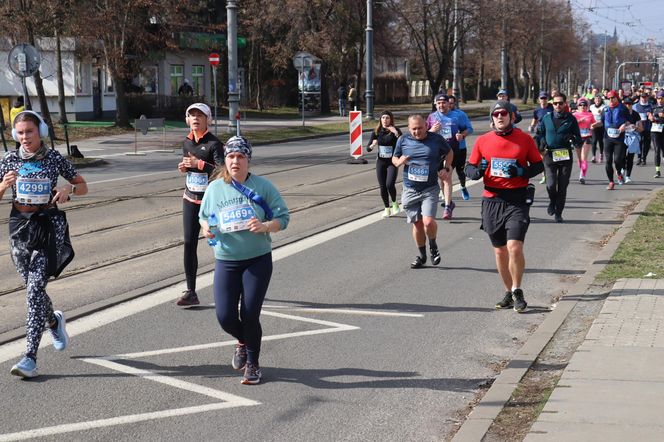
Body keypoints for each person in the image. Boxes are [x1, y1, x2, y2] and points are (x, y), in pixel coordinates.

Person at [1, 111, 88, 378]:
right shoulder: (9, 160)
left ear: (40, 132)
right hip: (20, 226)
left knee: (33, 290)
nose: (25, 137)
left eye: (30, 131)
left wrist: (67, 190)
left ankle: (30, 357)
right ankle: (53, 320)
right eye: (21, 133)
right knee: (32, 288)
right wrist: (3, 185)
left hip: (48, 226)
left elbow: (83, 186)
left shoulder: (54, 158)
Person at [199, 136, 290, 385]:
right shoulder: (215, 188)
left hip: (256, 260)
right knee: (225, 317)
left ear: (248, 160)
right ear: (225, 160)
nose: (235, 161)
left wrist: (265, 226)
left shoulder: (263, 186)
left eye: (240, 157)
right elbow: (203, 215)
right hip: (226, 260)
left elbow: (283, 218)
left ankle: (253, 363)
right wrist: (206, 228)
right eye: (231, 157)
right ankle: (242, 341)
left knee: (250, 314)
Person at [464, 101, 544, 313]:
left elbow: (538, 165)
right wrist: (475, 172)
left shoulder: (525, 139)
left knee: (514, 247)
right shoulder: (483, 141)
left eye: (503, 113)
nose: (499, 117)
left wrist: (521, 172)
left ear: (511, 116)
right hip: (492, 200)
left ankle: (518, 290)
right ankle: (508, 292)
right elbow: (469, 167)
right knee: (500, 252)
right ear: (492, 118)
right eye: (496, 114)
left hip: (517, 200)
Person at [176, 103, 224, 306]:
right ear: (188, 120)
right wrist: (185, 168)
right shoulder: (186, 143)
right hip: (190, 199)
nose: (195, 119)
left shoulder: (214, 144)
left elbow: (222, 171)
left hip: (211, 202)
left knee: (220, 244)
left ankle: (231, 284)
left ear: (207, 120)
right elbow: (191, 167)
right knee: (189, 244)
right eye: (192, 115)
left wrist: (200, 165)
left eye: (200, 116)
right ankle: (191, 291)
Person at [392, 114, 453, 269]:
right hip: (410, 188)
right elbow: (394, 158)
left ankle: (433, 246)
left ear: (426, 125)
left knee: (428, 221)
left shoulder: (436, 139)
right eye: (413, 129)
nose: (417, 132)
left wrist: (446, 168)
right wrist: (399, 162)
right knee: (417, 224)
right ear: (408, 128)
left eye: (420, 128)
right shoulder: (403, 140)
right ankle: (422, 255)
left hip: (430, 188)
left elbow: (449, 152)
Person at [536, 92, 582, 223]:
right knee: (551, 185)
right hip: (550, 155)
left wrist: (573, 138)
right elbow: (540, 133)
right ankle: (552, 201)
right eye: (555, 103)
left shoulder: (571, 119)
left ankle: (558, 213)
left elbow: (579, 139)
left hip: (565, 156)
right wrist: (542, 142)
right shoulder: (546, 118)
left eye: (560, 103)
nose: (557, 105)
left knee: (562, 186)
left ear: (565, 104)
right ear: (552, 104)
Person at [427, 94, 465, 219]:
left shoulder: (456, 116)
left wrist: (462, 135)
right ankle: (449, 202)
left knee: (447, 177)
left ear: (449, 104)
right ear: (435, 104)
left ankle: (447, 207)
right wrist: (432, 130)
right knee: (441, 179)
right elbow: (424, 135)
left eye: (443, 103)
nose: (441, 105)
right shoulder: (431, 117)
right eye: (438, 103)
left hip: (451, 151)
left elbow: (466, 129)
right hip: (437, 152)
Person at [367, 110, 402, 217]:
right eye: (383, 118)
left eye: (387, 118)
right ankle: (387, 208)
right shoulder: (377, 132)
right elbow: (368, 148)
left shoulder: (396, 131)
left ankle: (395, 203)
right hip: (381, 162)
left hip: (392, 162)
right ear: (380, 119)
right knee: (382, 186)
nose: (385, 120)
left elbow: (403, 142)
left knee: (389, 184)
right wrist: (372, 145)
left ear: (391, 119)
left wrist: (395, 133)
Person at [447, 95, 474, 200]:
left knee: (460, 171)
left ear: (455, 104)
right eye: (447, 102)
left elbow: (470, 129)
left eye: (451, 103)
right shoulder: (438, 116)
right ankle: (447, 199)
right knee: (445, 172)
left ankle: (463, 187)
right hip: (445, 150)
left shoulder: (460, 115)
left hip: (460, 148)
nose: (449, 105)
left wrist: (462, 135)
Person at [602, 90, 630, 190]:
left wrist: (624, 125)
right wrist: (594, 125)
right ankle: (611, 182)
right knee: (608, 161)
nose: (611, 100)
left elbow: (629, 121)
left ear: (616, 98)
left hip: (619, 138)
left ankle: (619, 172)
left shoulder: (623, 108)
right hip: (607, 138)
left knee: (617, 160)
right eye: (609, 98)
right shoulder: (605, 109)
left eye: (613, 98)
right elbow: (602, 122)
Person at [621, 97, 643, 183]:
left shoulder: (636, 114)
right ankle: (622, 169)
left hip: (633, 136)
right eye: (625, 104)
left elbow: (641, 129)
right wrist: (624, 125)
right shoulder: (621, 113)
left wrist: (635, 127)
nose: (627, 106)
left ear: (632, 105)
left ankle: (628, 176)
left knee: (630, 157)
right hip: (623, 135)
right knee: (622, 156)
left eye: (629, 104)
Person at [573, 98, 594, 183]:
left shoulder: (590, 114)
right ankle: (582, 170)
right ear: (578, 106)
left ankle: (582, 175)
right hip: (577, 137)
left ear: (587, 106)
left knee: (584, 158)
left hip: (587, 136)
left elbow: (594, 123)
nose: (583, 106)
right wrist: (578, 121)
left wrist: (593, 125)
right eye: (581, 105)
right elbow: (571, 125)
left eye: (584, 105)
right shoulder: (574, 115)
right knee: (579, 159)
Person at [633, 91, 653, 166]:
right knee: (639, 143)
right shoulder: (635, 106)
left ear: (647, 97)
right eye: (642, 97)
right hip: (639, 128)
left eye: (645, 97)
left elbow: (654, 116)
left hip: (648, 127)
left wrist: (651, 115)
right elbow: (633, 116)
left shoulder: (651, 106)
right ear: (640, 98)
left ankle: (644, 158)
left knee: (646, 144)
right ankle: (638, 157)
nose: (644, 99)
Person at [649, 90, 664, 178]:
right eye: (658, 98)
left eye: (661, 98)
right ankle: (657, 171)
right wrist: (650, 117)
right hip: (655, 130)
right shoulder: (653, 107)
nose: (660, 100)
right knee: (657, 150)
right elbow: (650, 116)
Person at [589, 95, 606, 163]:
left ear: (601, 100)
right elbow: (589, 114)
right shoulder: (591, 107)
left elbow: (605, 116)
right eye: (596, 99)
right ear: (594, 100)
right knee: (594, 140)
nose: (597, 100)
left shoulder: (604, 107)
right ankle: (594, 156)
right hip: (593, 126)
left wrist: (602, 113)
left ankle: (601, 154)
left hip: (601, 125)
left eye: (599, 99)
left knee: (601, 141)